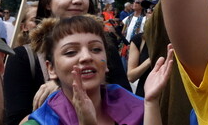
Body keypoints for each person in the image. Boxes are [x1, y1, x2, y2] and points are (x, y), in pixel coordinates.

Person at [3, 0, 130, 125]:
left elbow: (126, 106)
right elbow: (15, 120)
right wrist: (62, 95)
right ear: (48, 2)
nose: (77, 0)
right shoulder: (23, 58)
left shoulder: (106, 48)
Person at [21, 15, 173, 125]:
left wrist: (151, 102)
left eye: (95, 49)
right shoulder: (40, 122)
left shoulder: (136, 107)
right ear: (51, 68)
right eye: (71, 52)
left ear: (106, 62)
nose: (86, 57)